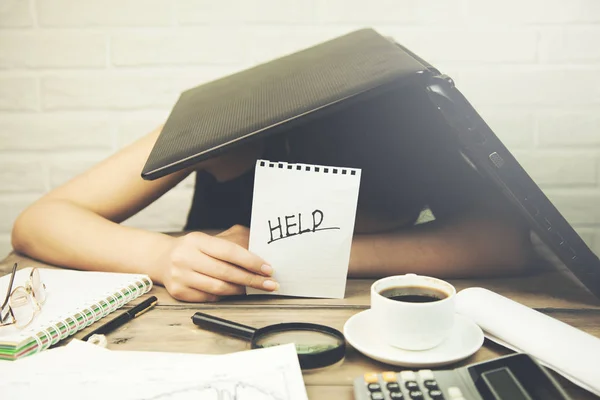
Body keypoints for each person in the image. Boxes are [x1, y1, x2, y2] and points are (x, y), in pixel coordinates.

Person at [10, 86, 534, 303]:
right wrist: (164, 254)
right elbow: (40, 222)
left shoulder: (409, 123)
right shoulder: (233, 125)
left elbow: (505, 241)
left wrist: (297, 256)